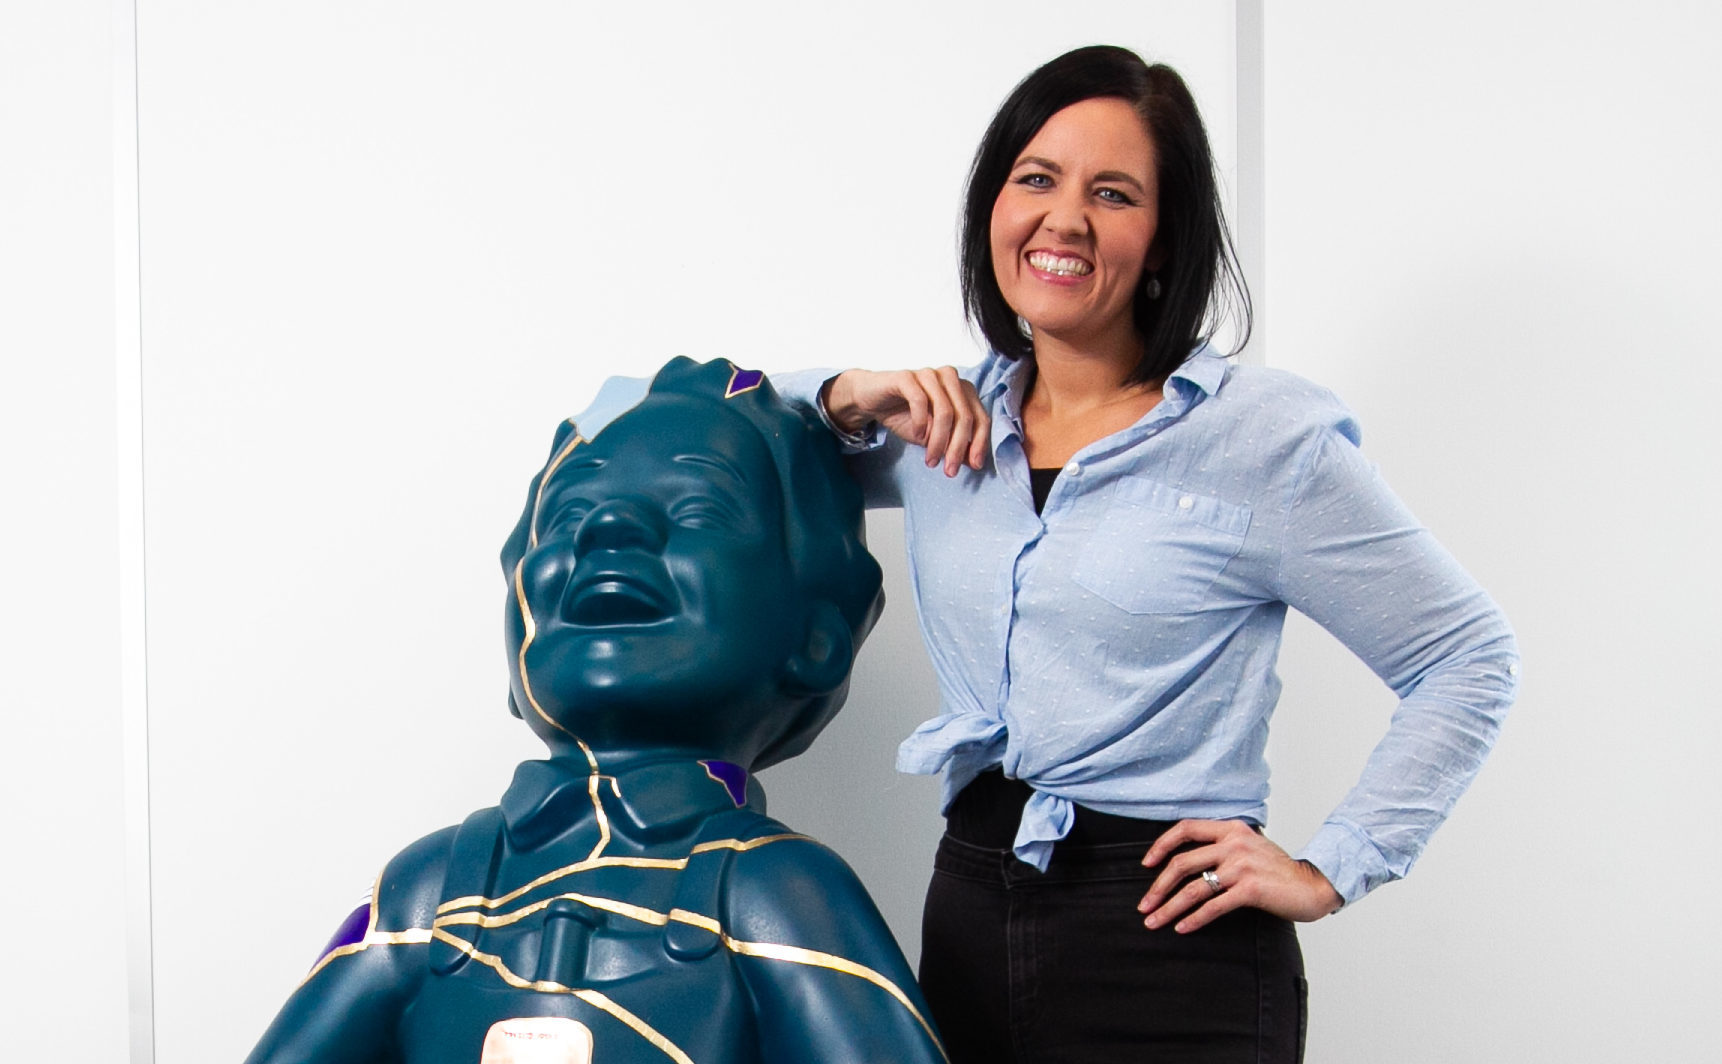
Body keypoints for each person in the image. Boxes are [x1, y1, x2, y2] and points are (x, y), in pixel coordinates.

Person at [774, 45, 1519, 1062]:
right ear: (992, 207)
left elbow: (1467, 656)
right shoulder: (939, 419)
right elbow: (686, 422)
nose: (1065, 217)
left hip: (1171, 942)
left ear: (1164, 239)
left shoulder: (1264, 439)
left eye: (1113, 193)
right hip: (968, 914)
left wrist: (1334, 863)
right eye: (1036, 178)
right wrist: (838, 394)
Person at [244, 357, 948, 1064]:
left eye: (698, 509)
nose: (609, 526)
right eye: (568, 515)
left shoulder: (777, 893)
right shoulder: (429, 894)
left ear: (815, 640)